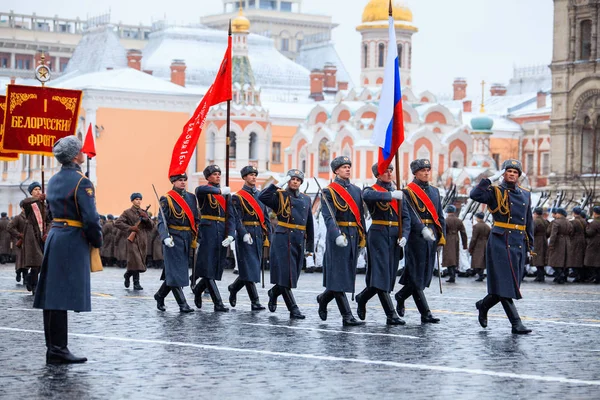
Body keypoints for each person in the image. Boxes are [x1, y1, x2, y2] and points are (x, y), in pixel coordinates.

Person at [33, 136, 102, 364]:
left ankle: (53, 348)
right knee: (60, 296)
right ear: (75, 156)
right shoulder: (82, 182)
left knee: (52, 295)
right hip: (72, 239)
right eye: (80, 150)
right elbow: (91, 219)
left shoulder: (52, 181)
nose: (82, 152)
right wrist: (97, 240)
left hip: (55, 236)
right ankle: (59, 349)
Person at [470, 160, 534, 334]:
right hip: (500, 241)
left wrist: (530, 246)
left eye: (515, 171)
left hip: (518, 242)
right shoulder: (495, 191)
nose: (512, 174)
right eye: (509, 171)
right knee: (505, 283)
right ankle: (516, 323)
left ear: (519, 175)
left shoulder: (526, 194)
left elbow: (529, 222)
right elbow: (474, 195)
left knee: (510, 284)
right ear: (503, 174)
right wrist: (489, 180)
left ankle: (483, 305)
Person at [356, 163, 410, 325]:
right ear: (378, 175)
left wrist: (405, 235)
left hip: (395, 237)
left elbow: (406, 218)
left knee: (388, 276)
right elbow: (367, 196)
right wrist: (391, 196)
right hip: (378, 235)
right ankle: (391, 314)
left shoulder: (398, 192)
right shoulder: (371, 190)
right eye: (385, 171)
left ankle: (362, 297)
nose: (389, 173)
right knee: (381, 275)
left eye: (391, 170)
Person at [316, 157, 366, 326]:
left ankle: (323, 298)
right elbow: (328, 217)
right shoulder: (329, 191)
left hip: (353, 235)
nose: (348, 169)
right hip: (338, 236)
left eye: (349, 167)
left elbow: (360, 217)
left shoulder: (356, 190)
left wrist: (362, 236)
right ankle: (347, 316)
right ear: (336, 171)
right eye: (344, 167)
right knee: (339, 275)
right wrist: (336, 234)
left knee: (344, 276)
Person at [258, 169, 314, 319]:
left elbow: (309, 222)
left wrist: (310, 246)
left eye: (298, 179)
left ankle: (274, 292)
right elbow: (262, 197)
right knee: (286, 275)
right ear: (288, 181)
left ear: (301, 182)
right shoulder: (280, 195)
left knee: (292, 275)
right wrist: (276, 185)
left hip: (298, 239)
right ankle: (293, 309)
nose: (295, 181)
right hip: (283, 238)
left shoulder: (306, 199)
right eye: (292, 179)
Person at [394, 159, 445, 323]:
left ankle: (401, 295)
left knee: (424, 275)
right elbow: (408, 216)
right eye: (422, 170)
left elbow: (439, 216)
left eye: (428, 170)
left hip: (432, 237)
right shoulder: (408, 192)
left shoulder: (435, 192)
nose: (426, 173)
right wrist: (421, 230)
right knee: (417, 276)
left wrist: (441, 236)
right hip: (416, 237)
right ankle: (425, 313)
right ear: (415, 173)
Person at [193, 165, 235, 312]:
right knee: (208, 266)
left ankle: (198, 290)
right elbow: (201, 190)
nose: (218, 176)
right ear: (208, 177)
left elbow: (231, 216)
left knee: (215, 267)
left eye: (219, 174)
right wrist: (219, 191)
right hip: (208, 231)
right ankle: (218, 303)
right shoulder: (204, 191)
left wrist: (231, 235)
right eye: (215, 174)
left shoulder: (226, 195)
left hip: (221, 232)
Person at [154, 173, 198, 313]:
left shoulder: (191, 198)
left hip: (186, 238)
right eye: (180, 180)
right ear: (173, 182)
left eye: (185, 180)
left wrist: (196, 236)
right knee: (174, 272)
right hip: (173, 238)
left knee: (176, 272)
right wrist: (165, 237)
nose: (183, 182)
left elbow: (196, 219)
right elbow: (162, 220)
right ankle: (183, 304)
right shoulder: (167, 198)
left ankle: (159, 295)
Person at [228, 166, 270, 311]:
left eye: (254, 175)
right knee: (249, 267)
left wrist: (268, 235)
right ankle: (255, 301)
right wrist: (244, 233)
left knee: (251, 268)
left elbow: (265, 217)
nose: (253, 177)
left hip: (258, 233)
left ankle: (233, 288)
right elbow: (237, 219)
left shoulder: (260, 195)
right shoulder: (237, 197)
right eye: (250, 175)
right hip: (246, 235)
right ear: (244, 178)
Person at [115, 193, 153, 290]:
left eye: (140, 199)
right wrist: (130, 227)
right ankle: (136, 283)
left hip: (143, 239)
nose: (138, 201)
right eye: (136, 199)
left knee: (139, 261)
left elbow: (151, 226)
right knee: (136, 261)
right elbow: (118, 223)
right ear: (132, 201)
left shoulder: (144, 212)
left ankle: (127, 275)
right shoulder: (127, 212)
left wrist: (147, 219)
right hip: (133, 239)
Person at [21, 181, 48, 294]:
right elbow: (24, 202)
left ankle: (30, 279)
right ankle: (35, 286)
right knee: (37, 262)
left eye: (39, 189)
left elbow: (49, 219)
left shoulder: (44, 205)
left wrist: (48, 232)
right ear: (31, 192)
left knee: (41, 264)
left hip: (43, 235)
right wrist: (38, 199)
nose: (38, 191)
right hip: (32, 235)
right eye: (35, 189)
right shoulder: (30, 204)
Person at [442, 205, 467, 283]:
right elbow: (463, 233)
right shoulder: (458, 221)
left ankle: (451, 275)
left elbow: (442, 231)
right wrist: (464, 244)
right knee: (454, 257)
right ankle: (453, 274)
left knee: (448, 257)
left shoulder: (445, 220)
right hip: (456, 239)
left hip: (447, 239)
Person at [547, 208, 571, 284]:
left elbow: (553, 234)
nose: (555, 214)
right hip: (566, 242)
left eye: (557, 213)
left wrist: (551, 245)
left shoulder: (556, 222)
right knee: (563, 261)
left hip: (558, 243)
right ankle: (561, 276)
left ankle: (560, 275)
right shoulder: (568, 222)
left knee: (555, 261)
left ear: (560, 214)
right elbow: (571, 232)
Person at [7, 204, 27, 283]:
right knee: (20, 260)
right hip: (20, 242)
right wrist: (18, 234)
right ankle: (18, 273)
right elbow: (9, 227)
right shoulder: (17, 217)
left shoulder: (31, 217)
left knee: (27, 260)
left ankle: (25, 277)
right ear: (22, 208)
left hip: (28, 242)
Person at [567, 206, 587, 282]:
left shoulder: (574, 221)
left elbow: (571, 232)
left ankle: (578, 276)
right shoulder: (584, 221)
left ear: (574, 213)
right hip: (583, 240)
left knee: (574, 258)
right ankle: (581, 275)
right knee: (581, 257)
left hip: (575, 240)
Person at [469, 212, 490, 282]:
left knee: (477, 260)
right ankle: (481, 274)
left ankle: (480, 275)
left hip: (478, 245)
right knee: (483, 260)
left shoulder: (476, 226)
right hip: (485, 244)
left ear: (478, 218)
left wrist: (471, 247)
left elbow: (474, 238)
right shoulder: (487, 226)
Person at [531, 207, 550, 282]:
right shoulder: (545, 221)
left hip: (537, 241)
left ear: (535, 213)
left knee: (537, 258)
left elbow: (533, 231)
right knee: (542, 258)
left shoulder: (535, 221)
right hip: (544, 240)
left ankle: (540, 276)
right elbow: (549, 231)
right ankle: (541, 274)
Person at [584, 206, 600, 284]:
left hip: (595, 243)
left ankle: (596, 277)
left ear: (595, 213)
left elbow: (589, 232)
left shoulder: (595, 222)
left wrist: (586, 228)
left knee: (593, 261)